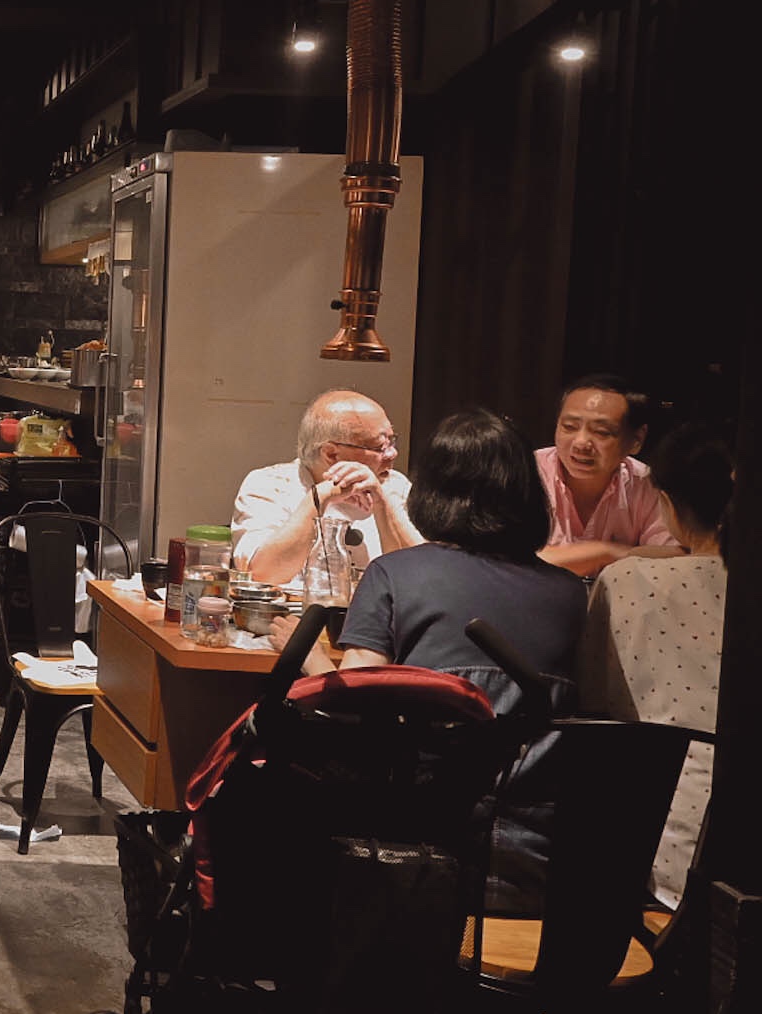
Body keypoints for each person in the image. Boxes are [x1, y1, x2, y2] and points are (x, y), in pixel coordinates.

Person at [313, 409, 590, 908]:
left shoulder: (395, 574)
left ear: (431, 491)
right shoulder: (572, 595)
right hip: (542, 870)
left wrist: (306, 653)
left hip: (417, 865)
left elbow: (351, 701)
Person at [578, 424, 733, 908]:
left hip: (653, 836)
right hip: (738, 846)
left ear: (665, 501)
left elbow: (593, 705)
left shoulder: (627, 580)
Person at [231, 389, 422, 586]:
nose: (392, 454)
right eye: (379, 446)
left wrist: (383, 504)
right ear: (331, 454)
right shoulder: (270, 485)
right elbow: (264, 574)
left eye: (391, 441)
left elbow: (423, 574)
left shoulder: (395, 486)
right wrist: (321, 495)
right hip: (295, 616)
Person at [536, 374, 681, 575]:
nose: (581, 443)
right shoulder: (527, 472)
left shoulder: (647, 483)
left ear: (636, 440)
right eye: (569, 427)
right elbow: (506, 560)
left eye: (601, 432)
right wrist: (606, 552)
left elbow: (675, 557)